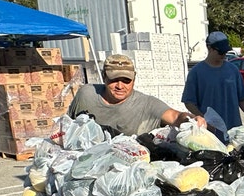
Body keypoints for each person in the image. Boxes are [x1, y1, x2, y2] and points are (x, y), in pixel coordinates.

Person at [69, 54, 204, 136]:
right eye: (114, 80)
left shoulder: (146, 104)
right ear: (104, 77)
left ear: (134, 79)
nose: (120, 86)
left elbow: (175, 116)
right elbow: (66, 127)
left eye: (126, 80)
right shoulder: (86, 95)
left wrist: (192, 119)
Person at [183, 31, 244, 141]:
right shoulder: (196, 72)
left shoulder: (233, 70)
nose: (224, 55)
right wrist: (202, 119)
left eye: (226, 51)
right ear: (209, 48)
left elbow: (242, 100)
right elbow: (189, 102)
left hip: (235, 134)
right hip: (209, 136)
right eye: (220, 52)